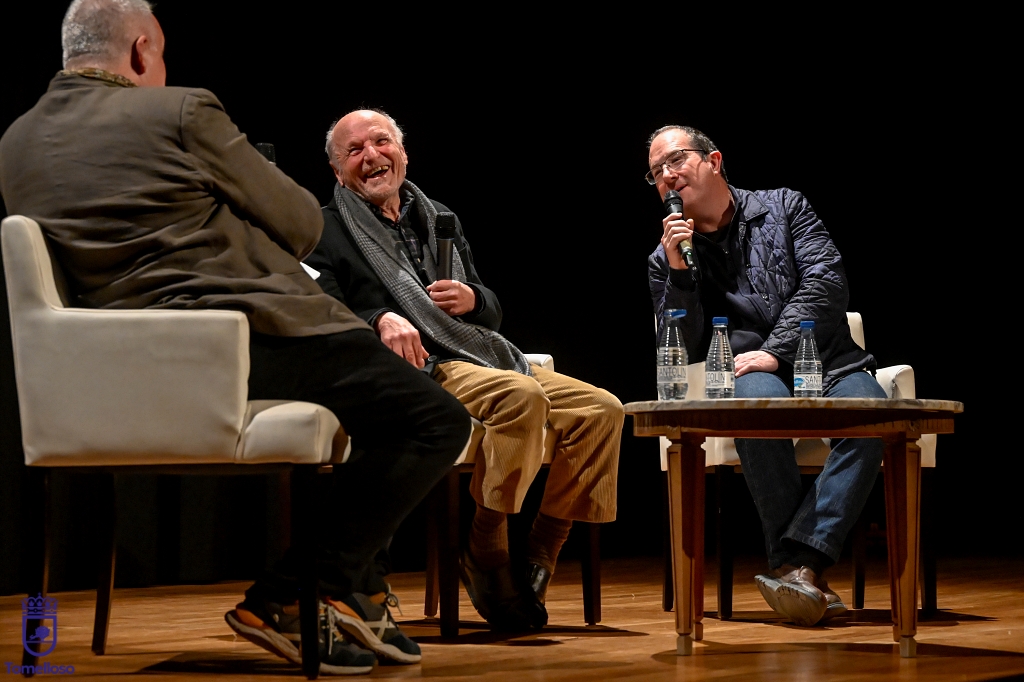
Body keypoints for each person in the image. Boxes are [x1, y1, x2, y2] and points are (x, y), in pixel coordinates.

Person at [0, 1, 471, 674]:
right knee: (433, 419)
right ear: (140, 50)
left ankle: (355, 594)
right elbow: (302, 223)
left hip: (116, 371)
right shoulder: (180, 111)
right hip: (241, 340)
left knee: (381, 402)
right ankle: (292, 593)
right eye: (160, 54)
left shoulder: (16, 141)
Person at [305, 109, 624, 631]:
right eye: (354, 151)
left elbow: (490, 311)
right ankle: (488, 547)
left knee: (602, 410)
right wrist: (379, 318)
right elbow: (319, 305)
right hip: (424, 368)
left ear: (403, 153)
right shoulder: (324, 227)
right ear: (337, 171)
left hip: (479, 353)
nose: (371, 156)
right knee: (520, 398)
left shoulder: (439, 218)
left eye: (381, 142)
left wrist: (473, 298)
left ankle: (541, 552)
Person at [646, 124, 886, 627]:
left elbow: (827, 282)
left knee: (871, 414)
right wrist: (680, 275)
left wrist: (776, 351)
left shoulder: (784, 206)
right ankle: (804, 572)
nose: (667, 176)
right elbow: (681, 346)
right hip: (746, 372)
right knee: (754, 401)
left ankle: (797, 564)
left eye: (676, 160)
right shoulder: (663, 260)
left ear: (713, 161)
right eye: (655, 172)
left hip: (827, 358)